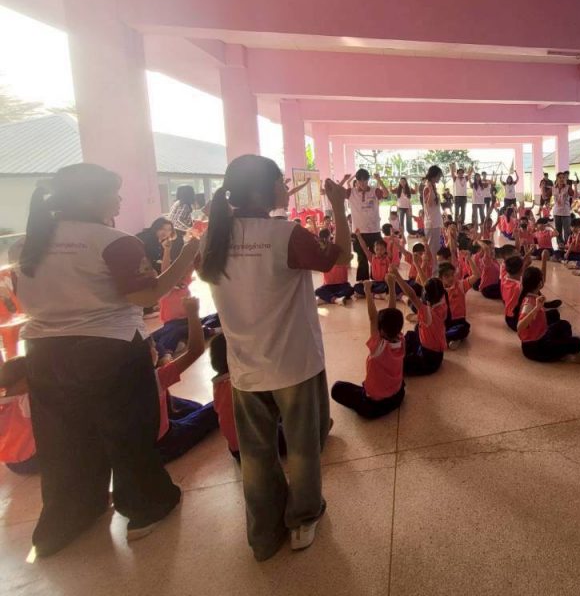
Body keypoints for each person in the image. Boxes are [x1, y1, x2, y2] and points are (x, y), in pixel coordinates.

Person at [15, 164, 201, 555]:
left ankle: (67, 520)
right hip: (109, 350)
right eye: (113, 193)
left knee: (65, 441)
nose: (118, 200)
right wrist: (187, 255)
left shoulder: (33, 242)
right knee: (128, 433)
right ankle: (145, 508)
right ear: (90, 198)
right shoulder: (114, 242)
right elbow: (145, 296)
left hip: (45, 354)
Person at [199, 155, 352, 560]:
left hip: (245, 367)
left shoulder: (214, 238)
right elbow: (341, 257)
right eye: (280, 182)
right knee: (302, 448)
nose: (285, 188)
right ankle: (302, 519)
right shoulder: (286, 234)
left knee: (256, 455)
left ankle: (264, 535)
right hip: (293, 363)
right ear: (260, 190)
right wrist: (339, 206)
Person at [331, 273, 406, 420]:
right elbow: (391, 314)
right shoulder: (401, 340)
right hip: (398, 396)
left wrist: (367, 290)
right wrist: (391, 286)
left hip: (375, 405)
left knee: (337, 388)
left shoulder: (379, 347)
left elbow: (373, 318)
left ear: (381, 330)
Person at [153, 297, 218, 464]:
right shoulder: (156, 377)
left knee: (194, 408)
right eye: (153, 348)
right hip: (165, 443)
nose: (156, 350)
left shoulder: (121, 378)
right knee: (217, 406)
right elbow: (195, 350)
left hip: (140, 443)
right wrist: (193, 313)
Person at [514, 265, 580, 362]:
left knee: (564, 324)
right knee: (577, 343)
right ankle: (563, 354)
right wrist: (536, 309)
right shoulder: (528, 303)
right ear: (540, 283)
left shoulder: (531, 293)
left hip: (542, 335)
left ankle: (561, 346)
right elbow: (519, 327)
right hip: (535, 348)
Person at [394, 275, 448, 376]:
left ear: (426, 297)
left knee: (397, 365)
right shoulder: (443, 304)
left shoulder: (427, 312)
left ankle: (403, 354)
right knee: (411, 334)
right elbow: (428, 288)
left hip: (429, 359)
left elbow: (412, 295)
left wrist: (396, 275)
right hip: (437, 354)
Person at [346, 169, 389, 281]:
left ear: (368, 180)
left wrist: (379, 179)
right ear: (357, 181)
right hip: (358, 232)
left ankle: (377, 279)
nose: (362, 183)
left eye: (365, 180)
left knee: (378, 256)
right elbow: (337, 192)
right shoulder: (351, 192)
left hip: (374, 230)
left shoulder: (374, 191)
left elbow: (386, 194)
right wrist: (345, 180)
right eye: (360, 181)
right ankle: (363, 282)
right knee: (362, 258)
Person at [0, 356, 37, 474]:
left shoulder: (4, 403)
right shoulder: (24, 400)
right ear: (23, 381)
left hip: (10, 462)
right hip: (30, 461)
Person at [439, 255, 479, 350]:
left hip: (458, 320)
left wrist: (469, 259)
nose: (451, 278)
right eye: (447, 276)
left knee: (465, 328)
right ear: (440, 278)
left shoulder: (460, 285)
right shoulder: (438, 289)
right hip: (444, 321)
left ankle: (448, 338)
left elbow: (476, 275)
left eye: (452, 275)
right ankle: (449, 337)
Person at [420, 165, 444, 271]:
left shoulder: (432, 187)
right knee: (431, 249)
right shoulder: (427, 188)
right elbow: (429, 204)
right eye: (439, 176)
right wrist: (430, 190)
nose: (439, 178)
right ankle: (432, 270)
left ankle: (435, 269)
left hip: (435, 222)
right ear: (434, 175)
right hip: (431, 223)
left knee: (436, 248)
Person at [551, 171, 575, 249]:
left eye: (563, 178)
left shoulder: (567, 187)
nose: (561, 179)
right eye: (560, 178)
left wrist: (570, 186)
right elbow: (545, 196)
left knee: (567, 230)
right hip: (556, 212)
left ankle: (567, 245)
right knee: (558, 230)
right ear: (557, 179)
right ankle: (560, 244)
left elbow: (572, 194)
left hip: (566, 212)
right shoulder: (553, 188)